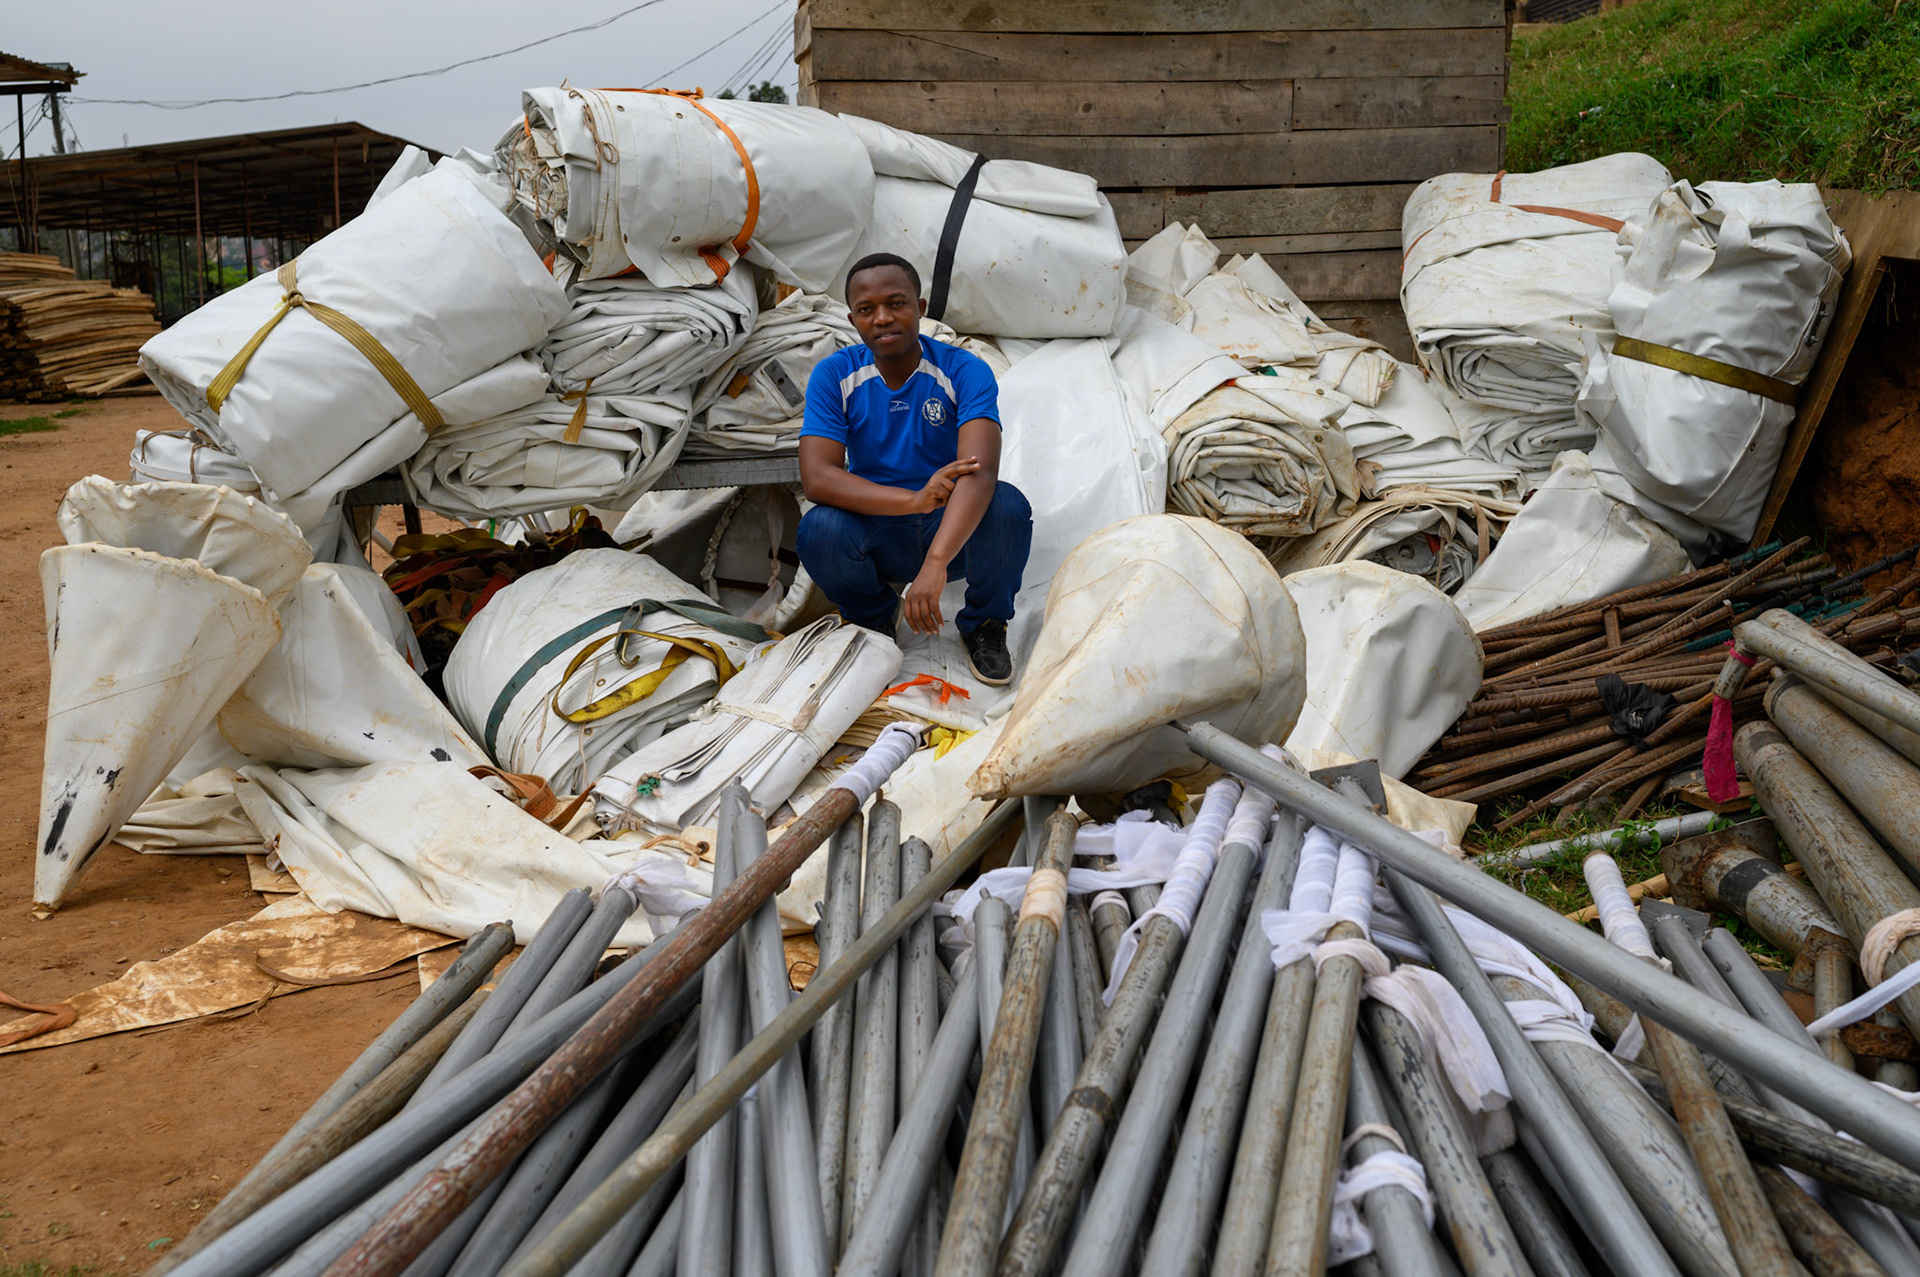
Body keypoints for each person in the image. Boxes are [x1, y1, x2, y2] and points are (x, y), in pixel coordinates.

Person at [795, 251, 1032, 685]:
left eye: (896, 303)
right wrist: (913, 500)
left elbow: (980, 471)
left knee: (1007, 505)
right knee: (818, 530)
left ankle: (983, 625)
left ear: (920, 309)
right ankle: (875, 619)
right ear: (853, 320)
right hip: (882, 526)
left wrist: (936, 563)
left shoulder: (964, 369)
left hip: (951, 524)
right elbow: (818, 478)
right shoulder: (834, 375)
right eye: (867, 310)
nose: (882, 318)